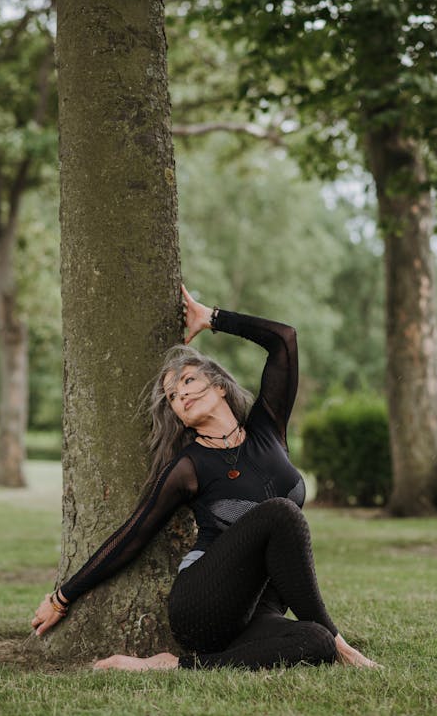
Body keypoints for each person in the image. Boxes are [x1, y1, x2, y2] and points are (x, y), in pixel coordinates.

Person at [32, 285, 379, 671]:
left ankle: (174, 665)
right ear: (177, 415)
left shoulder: (268, 429)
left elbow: (284, 340)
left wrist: (211, 318)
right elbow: (132, 535)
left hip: (258, 609)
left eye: (188, 381)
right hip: (203, 604)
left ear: (218, 386)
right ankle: (341, 642)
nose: (180, 395)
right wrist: (62, 598)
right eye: (173, 396)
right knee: (282, 513)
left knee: (312, 643)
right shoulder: (189, 465)